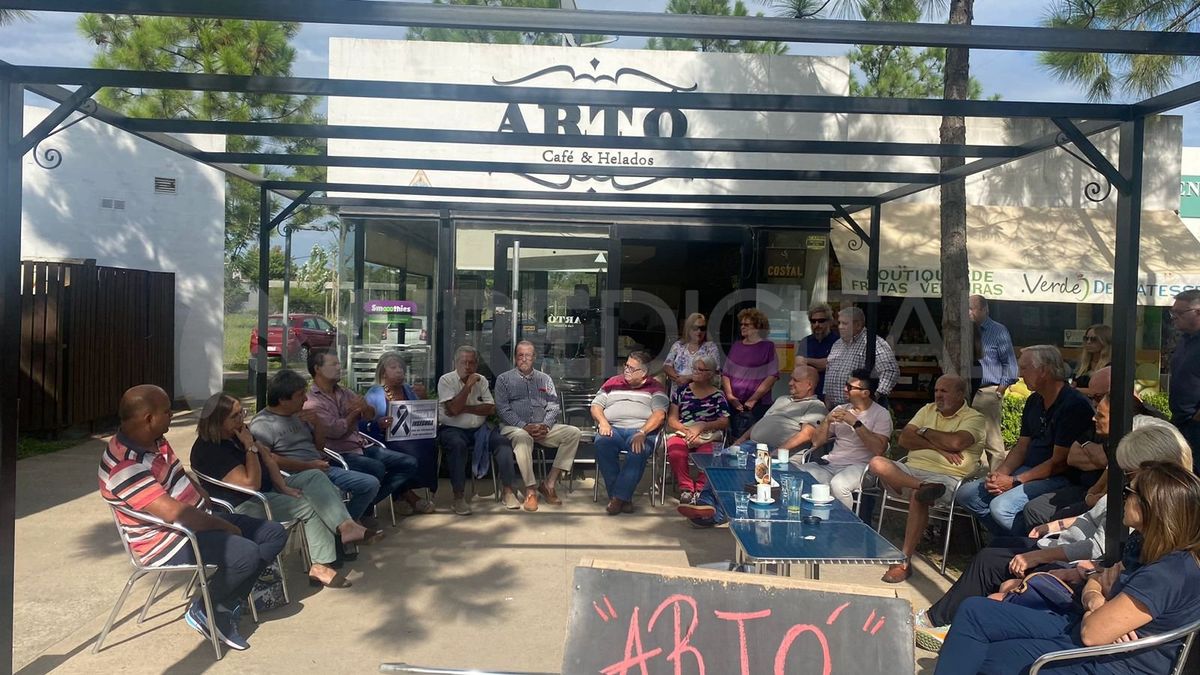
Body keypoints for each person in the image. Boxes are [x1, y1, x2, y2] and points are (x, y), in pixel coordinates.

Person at [914, 423, 1193, 653]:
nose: (1122, 480)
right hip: (1077, 568)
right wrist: (1059, 529)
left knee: (1000, 577)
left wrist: (1092, 590)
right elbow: (1109, 567)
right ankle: (947, 624)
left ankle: (949, 627)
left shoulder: (1152, 519)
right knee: (997, 558)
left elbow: (1106, 564)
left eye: (1128, 473)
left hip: (1078, 576)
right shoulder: (1141, 511)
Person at [100, 385, 286, 651]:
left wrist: (200, 492)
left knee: (274, 533)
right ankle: (211, 610)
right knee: (245, 553)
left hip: (198, 519)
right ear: (148, 418)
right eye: (167, 411)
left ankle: (218, 604)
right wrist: (226, 525)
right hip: (166, 540)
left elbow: (179, 473)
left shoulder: (156, 440)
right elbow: (178, 514)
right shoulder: (125, 466)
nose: (172, 415)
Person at [190, 393, 377, 589]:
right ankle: (321, 565)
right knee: (308, 506)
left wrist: (283, 486)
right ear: (217, 421)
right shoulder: (210, 449)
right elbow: (250, 484)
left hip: (269, 489)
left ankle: (346, 527)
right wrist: (249, 448)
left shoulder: (237, 431)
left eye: (242, 412)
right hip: (245, 504)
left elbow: (268, 459)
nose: (242, 419)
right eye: (235, 416)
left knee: (314, 476)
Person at [955, 346, 1094, 537]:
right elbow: (1022, 446)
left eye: (1024, 368)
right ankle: (1006, 541)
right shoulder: (1034, 401)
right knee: (967, 495)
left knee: (1001, 508)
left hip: (1060, 478)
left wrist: (1014, 481)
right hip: (1029, 470)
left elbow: (1059, 463)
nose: (1019, 375)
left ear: (1043, 371)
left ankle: (1025, 547)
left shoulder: (1073, 405)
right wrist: (999, 475)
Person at [867, 374, 987, 583]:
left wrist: (924, 432)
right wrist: (937, 445)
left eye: (944, 391)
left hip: (947, 478)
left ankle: (904, 561)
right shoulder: (927, 409)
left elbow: (957, 442)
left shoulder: (974, 418)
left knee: (918, 496)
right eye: (936, 390)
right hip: (910, 474)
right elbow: (905, 438)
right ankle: (923, 486)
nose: (938, 395)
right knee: (877, 462)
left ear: (960, 394)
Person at [677, 365, 830, 527]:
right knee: (721, 458)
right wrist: (739, 441)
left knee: (742, 470)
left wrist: (776, 452)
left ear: (809, 385)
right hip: (754, 445)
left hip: (778, 453)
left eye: (796, 380)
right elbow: (761, 424)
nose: (790, 383)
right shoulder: (782, 399)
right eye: (791, 378)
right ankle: (704, 504)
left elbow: (806, 434)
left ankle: (715, 515)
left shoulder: (815, 406)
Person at [250, 369, 382, 527]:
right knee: (334, 494)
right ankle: (345, 532)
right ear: (283, 400)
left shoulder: (299, 415)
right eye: (300, 395)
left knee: (370, 484)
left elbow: (320, 446)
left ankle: (345, 528)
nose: (305, 399)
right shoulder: (263, 424)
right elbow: (269, 459)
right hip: (296, 475)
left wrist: (318, 424)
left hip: (321, 467)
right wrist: (309, 466)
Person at [304, 348, 417, 525]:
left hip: (361, 446)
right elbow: (336, 430)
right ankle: (350, 521)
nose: (339, 367)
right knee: (377, 468)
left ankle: (361, 509)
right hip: (338, 454)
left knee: (409, 463)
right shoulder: (311, 401)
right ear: (317, 369)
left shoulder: (345, 392)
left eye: (339, 363)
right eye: (333, 364)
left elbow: (370, 415)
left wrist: (364, 408)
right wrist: (356, 412)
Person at [1018, 366, 1112, 529]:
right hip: (1083, 487)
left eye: (1097, 397)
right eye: (1092, 397)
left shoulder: (1135, 422)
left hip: (1101, 497)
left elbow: (1106, 459)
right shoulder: (1097, 420)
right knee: (1032, 509)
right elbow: (1073, 456)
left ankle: (1041, 549)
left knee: (1007, 507)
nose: (1094, 405)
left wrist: (1094, 452)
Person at [494, 341, 582, 511]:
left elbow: (554, 405)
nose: (524, 359)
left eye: (528, 355)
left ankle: (549, 484)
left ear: (534, 357)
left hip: (542, 428)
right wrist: (524, 426)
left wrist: (546, 425)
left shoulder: (545, 379)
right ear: (515, 358)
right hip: (515, 428)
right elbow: (503, 409)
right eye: (520, 355)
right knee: (522, 437)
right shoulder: (503, 379)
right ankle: (530, 490)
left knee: (573, 433)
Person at [792, 369, 893, 510]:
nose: (845, 389)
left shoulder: (881, 414)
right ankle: (811, 519)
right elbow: (816, 442)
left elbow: (879, 449)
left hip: (862, 468)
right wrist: (827, 421)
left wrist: (855, 423)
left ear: (865, 393)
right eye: (846, 384)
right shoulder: (840, 409)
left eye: (850, 387)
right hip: (831, 465)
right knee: (796, 475)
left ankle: (844, 527)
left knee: (839, 485)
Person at [437, 345, 518, 516]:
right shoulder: (446, 380)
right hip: (453, 429)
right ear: (455, 363)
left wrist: (462, 408)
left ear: (476, 364)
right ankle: (458, 497)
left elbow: (490, 408)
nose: (467, 366)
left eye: (471, 363)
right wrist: (467, 388)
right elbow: (452, 410)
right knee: (457, 446)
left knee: (503, 443)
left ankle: (508, 491)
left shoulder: (481, 380)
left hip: (480, 430)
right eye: (463, 362)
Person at [592, 350, 669, 515]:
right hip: (612, 428)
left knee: (638, 450)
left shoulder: (655, 388)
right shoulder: (612, 382)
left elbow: (659, 414)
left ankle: (617, 499)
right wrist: (603, 422)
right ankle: (622, 498)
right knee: (601, 444)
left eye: (632, 368)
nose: (626, 370)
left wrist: (642, 432)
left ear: (644, 373)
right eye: (626, 365)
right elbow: (596, 405)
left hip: (640, 430)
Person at [363, 352, 437, 514]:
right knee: (403, 450)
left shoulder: (408, 390)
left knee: (429, 445)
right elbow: (365, 424)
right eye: (393, 367)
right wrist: (379, 424)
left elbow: (419, 417)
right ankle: (407, 496)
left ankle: (403, 494)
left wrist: (423, 399)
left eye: (401, 368)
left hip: (408, 437)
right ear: (383, 372)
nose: (399, 371)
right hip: (382, 439)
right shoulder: (374, 393)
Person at [664, 355, 730, 503]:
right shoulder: (681, 391)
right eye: (694, 368)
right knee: (674, 449)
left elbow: (724, 421)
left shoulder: (718, 395)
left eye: (700, 369)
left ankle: (700, 489)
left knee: (711, 455)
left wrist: (702, 427)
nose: (695, 372)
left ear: (710, 373)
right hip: (683, 432)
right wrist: (688, 432)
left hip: (708, 434)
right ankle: (686, 488)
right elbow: (672, 419)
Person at [967, 295, 1018, 469]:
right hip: (965, 390)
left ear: (984, 309)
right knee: (970, 436)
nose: (968, 312)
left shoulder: (998, 331)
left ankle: (998, 476)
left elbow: (1010, 363)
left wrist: (1000, 390)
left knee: (992, 441)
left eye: (971, 308)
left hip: (987, 391)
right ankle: (976, 476)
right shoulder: (963, 330)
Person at [816, 306, 899, 409]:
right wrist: (827, 400)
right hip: (835, 410)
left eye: (845, 323)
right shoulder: (837, 344)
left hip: (860, 411)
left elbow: (890, 371)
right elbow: (829, 371)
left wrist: (874, 397)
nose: (840, 327)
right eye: (839, 323)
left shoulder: (873, 343)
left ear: (858, 325)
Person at [722, 308, 778, 439]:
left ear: (758, 327)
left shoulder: (767, 346)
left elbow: (772, 376)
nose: (742, 327)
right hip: (734, 403)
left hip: (757, 405)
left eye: (746, 325)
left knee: (754, 439)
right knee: (733, 439)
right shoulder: (736, 346)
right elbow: (725, 373)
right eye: (741, 324)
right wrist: (730, 396)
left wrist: (753, 399)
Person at [1169, 288, 1200, 468]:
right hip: (1181, 419)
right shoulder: (1185, 340)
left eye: (1179, 313)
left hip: (1194, 423)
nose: (1174, 317)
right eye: (1173, 312)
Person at [662, 312, 722, 397]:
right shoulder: (678, 345)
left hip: (700, 395)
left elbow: (714, 370)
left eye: (702, 328)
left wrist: (688, 378)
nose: (699, 331)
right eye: (695, 328)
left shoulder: (711, 347)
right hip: (677, 395)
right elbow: (666, 366)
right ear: (688, 329)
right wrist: (678, 378)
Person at [799, 303, 838, 401]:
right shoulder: (806, 341)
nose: (817, 325)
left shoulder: (838, 341)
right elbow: (799, 365)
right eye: (813, 321)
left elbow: (830, 364)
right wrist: (822, 364)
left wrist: (807, 361)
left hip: (830, 396)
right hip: (807, 396)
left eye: (821, 321)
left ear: (829, 321)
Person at [1071, 324, 1111, 395]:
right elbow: (1073, 385)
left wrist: (1075, 390)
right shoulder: (1082, 364)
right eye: (1086, 338)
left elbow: (1096, 392)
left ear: (1104, 342)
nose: (1088, 342)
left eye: (1094, 339)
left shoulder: (1109, 367)